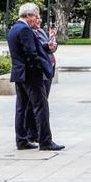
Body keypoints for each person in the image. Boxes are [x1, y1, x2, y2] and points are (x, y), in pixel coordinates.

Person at [7, 3, 63, 151]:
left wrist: (46, 47)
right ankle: (45, 141)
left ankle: (22, 140)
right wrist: (40, 67)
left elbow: (29, 48)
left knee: (21, 108)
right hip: (31, 74)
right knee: (41, 107)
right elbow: (31, 54)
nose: (38, 19)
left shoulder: (14, 28)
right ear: (28, 16)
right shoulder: (25, 29)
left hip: (20, 73)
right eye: (36, 16)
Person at [25, 15, 58, 143]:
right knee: (36, 104)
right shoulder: (30, 33)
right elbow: (39, 50)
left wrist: (52, 37)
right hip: (40, 71)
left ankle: (37, 133)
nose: (39, 20)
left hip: (48, 69)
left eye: (40, 18)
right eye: (37, 18)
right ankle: (32, 133)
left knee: (43, 102)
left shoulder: (41, 31)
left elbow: (50, 49)